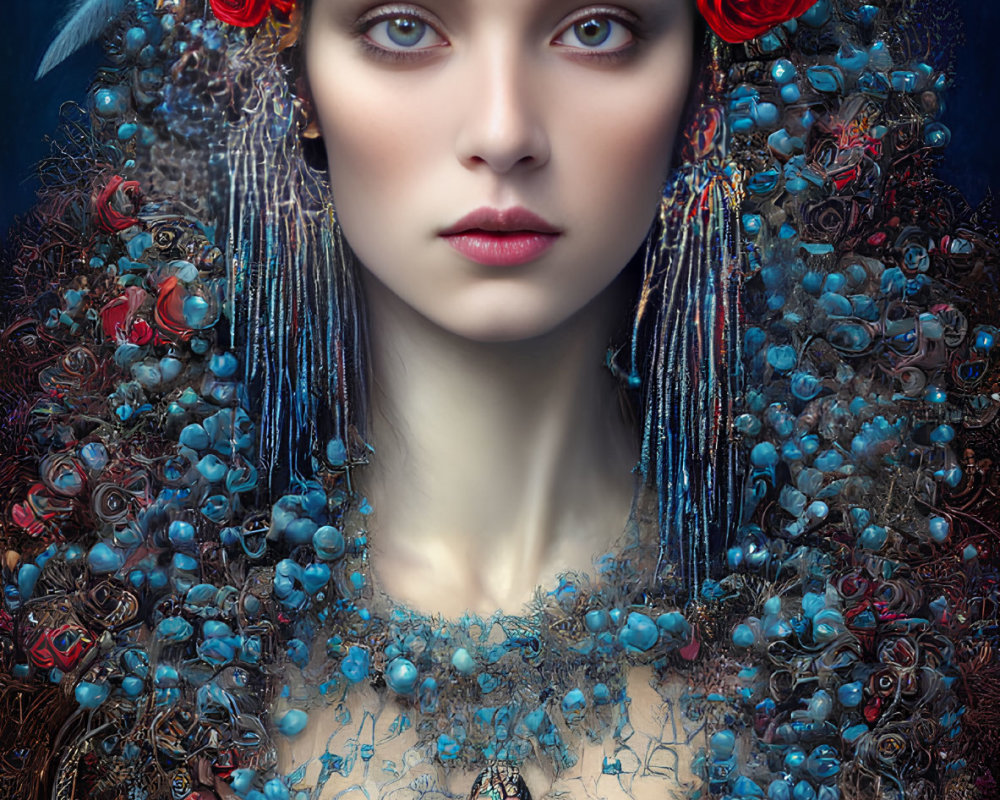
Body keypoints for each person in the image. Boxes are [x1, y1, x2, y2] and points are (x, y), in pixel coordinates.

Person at [1, 1, 997, 799]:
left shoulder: (877, 646)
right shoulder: (108, 650)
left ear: (701, 78)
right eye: (405, 28)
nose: (503, 131)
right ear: (297, 79)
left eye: (592, 29)